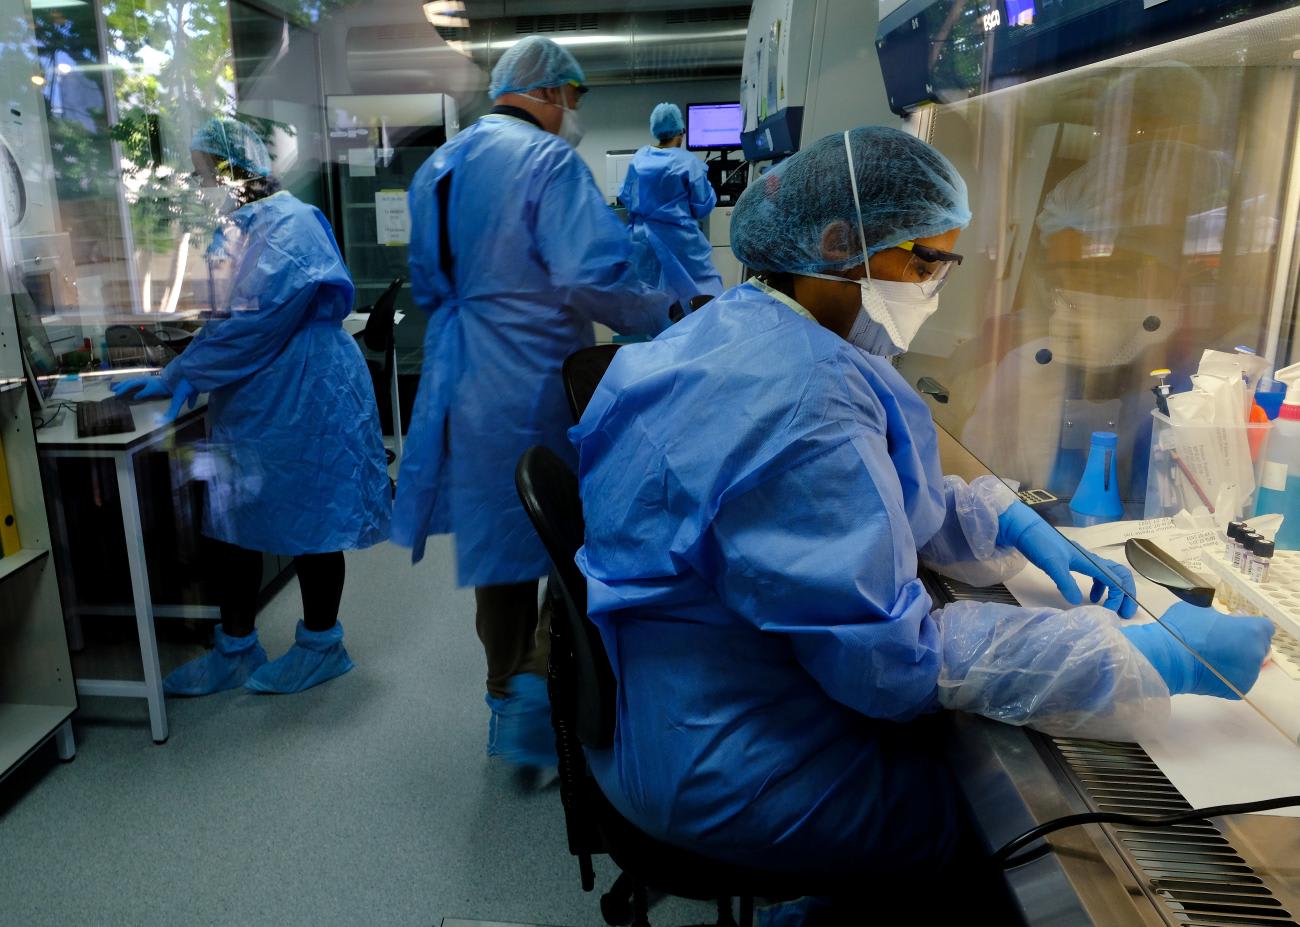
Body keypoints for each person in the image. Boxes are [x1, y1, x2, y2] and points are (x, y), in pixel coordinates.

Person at [570, 126, 1274, 883]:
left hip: (671, 709)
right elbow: (891, 664)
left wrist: (1003, 518)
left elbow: (843, 495)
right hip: (731, 764)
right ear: (838, 243)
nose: (933, 289)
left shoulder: (734, 330)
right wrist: (1137, 655)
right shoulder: (803, 399)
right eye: (925, 261)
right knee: (996, 835)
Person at [393, 36, 672, 769]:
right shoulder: (548, 161)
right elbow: (593, 275)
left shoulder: (440, 165)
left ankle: (503, 691)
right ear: (549, 93)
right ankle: (544, 685)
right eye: (573, 100)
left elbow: (427, 282)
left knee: (497, 535)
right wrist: (669, 317)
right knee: (564, 526)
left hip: (463, 371)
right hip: (534, 369)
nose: (573, 115)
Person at [113, 117, 391, 696]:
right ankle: (236, 647)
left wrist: (180, 372)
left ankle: (321, 647)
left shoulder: (285, 223)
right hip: (263, 392)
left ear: (237, 167)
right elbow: (230, 318)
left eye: (204, 170)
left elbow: (250, 325)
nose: (200, 182)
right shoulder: (244, 224)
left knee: (316, 518)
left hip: (305, 390)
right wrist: (185, 368)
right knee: (232, 519)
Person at [620, 102, 722, 308]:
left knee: (654, 304)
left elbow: (626, 197)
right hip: (682, 242)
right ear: (681, 132)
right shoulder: (688, 162)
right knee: (703, 298)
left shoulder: (639, 158)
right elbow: (703, 205)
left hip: (644, 243)